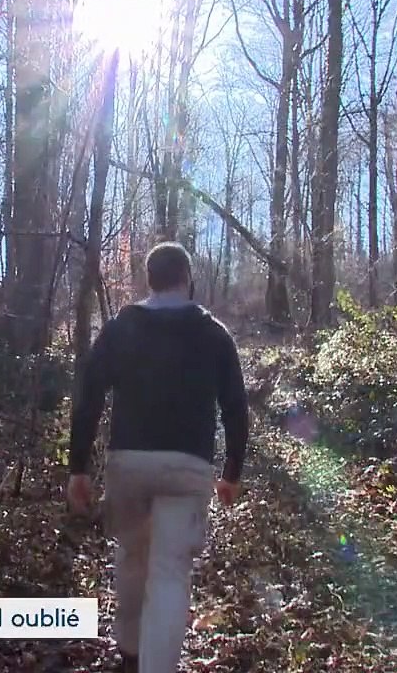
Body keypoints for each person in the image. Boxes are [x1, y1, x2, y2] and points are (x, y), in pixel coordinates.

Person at [67, 241, 250, 673]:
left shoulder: (121, 327)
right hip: (188, 467)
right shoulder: (214, 334)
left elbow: (89, 396)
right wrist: (232, 472)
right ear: (187, 279)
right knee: (170, 573)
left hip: (129, 462)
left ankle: (129, 654)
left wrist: (78, 467)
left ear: (149, 279)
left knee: (133, 558)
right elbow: (236, 408)